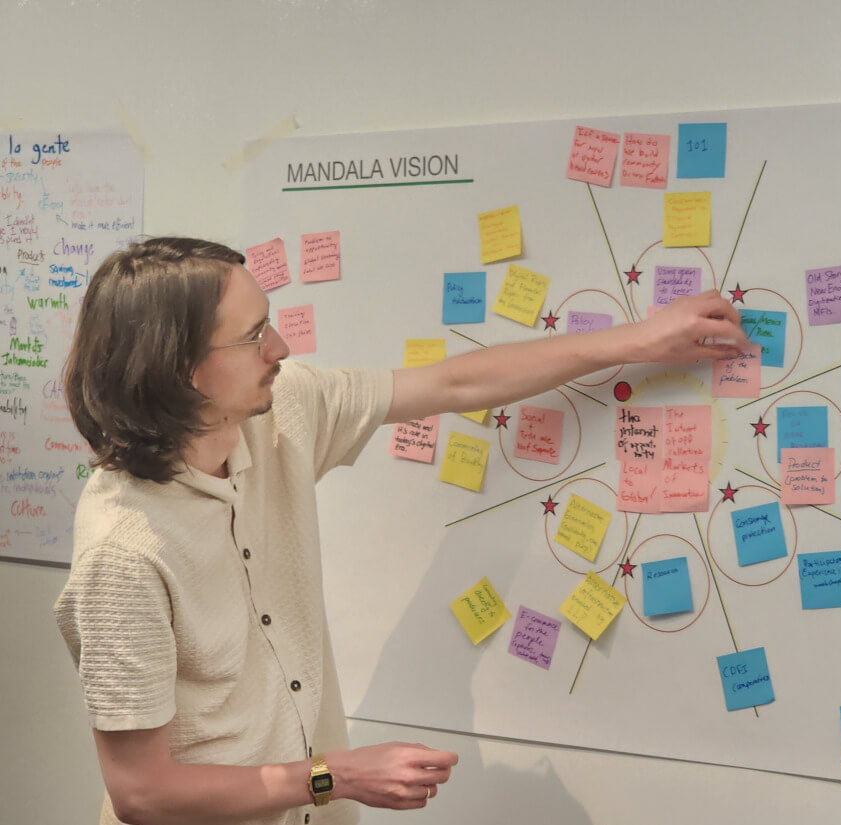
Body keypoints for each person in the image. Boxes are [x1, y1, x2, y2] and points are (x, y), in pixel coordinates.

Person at [54, 236, 748, 825]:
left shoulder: (282, 411)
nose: (281, 347)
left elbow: (452, 385)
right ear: (182, 371)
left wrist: (639, 339)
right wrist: (334, 776)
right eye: (254, 334)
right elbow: (142, 791)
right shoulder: (125, 551)